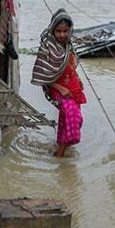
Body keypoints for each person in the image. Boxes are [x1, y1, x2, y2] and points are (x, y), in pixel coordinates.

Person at [31, 9, 86, 157]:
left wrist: (79, 78)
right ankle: (62, 150)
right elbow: (43, 74)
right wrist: (59, 88)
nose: (62, 35)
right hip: (57, 89)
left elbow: (70, 67)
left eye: (65, 31)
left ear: (70, 30)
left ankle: (59, 153)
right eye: (58, 31)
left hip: (73, 88)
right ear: (52, 30)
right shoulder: (47, 47)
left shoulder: (69, 46)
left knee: (66, 120)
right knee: (75, 117)